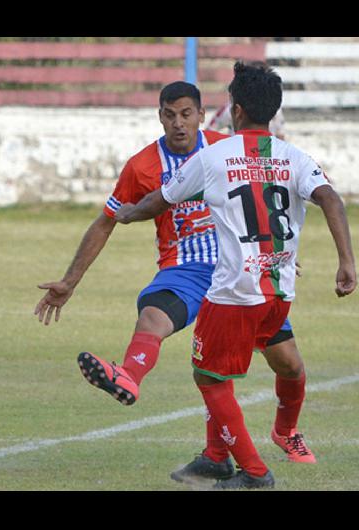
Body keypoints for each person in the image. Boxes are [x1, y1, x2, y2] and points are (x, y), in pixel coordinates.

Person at [34, 80, 318, 481]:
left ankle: (283, 433)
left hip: (239, 271)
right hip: (184, 268)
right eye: (169, 115)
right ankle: (128, 377)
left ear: (202, 115)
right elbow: (106, 221)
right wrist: (70, 280)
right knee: (153, 319)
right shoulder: (142, 166)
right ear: (160, 116)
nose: (178, 124)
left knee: (289, 366)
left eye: (186, 114)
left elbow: (268, 199)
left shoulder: (228, 149)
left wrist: (277, 252)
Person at [115, 61, 356, 489]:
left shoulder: (213, 157)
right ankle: (215, 458)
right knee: (243, 368)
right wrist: (347, 263)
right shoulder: (294, 157)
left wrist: (128, 213)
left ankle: (254, 472)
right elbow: (332, 201)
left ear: (236, 109)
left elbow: (161, 200)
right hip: (279, 291)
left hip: (233, 291)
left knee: (208, 377)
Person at [207, 100, 286, 140]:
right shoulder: (229, 109)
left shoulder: (275, 109)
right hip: (236, 158)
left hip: (266, 157)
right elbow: (209, 131)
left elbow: (280, 136)